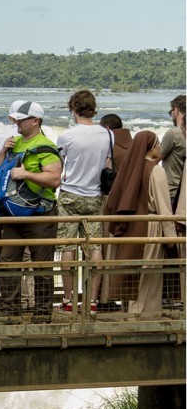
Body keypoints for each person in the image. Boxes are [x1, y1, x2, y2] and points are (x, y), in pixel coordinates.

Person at [0, 101, 62, 319]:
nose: (17, 123)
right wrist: (3, 151)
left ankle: (42, 313)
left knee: (41, 265)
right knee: (8, 260)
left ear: (35, 121)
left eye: (21, 119)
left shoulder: (46, 146)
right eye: (16, 119)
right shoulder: (15, 144)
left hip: (40, 214)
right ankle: (9, 312)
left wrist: (27, 175)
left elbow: (54, 179)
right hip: (14, 214)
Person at [104, 131, 176, 313]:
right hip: (149, 226)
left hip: (128, 226)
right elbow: (164, 208)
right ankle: (144, 316)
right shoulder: (156, 171)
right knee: (148, 275)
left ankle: (129, 313)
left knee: (131, 272)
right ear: (150, 148)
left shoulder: (127, 170)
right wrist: (171, 238)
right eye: (157, 144)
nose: (160, 148)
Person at [56, 90, 112, 313]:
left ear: (73, 109)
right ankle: (92, 300)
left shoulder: (67, 136)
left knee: (67, 246)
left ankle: (69, 300)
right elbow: (107, 162)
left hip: (70, 194)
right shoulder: (108, 134)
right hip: (95, 195)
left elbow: (59, 165)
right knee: (95, 247)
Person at [97, 113, 132, 312]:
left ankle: (104, 297)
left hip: (108, 200)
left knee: (104, 247)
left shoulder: (108, 147)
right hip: (130, 204)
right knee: (124, 249)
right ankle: (124, 297)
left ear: (107, 130)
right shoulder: (135, 145)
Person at [161, 95, 186, 211]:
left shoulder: (173, 134)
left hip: (172, 192)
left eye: (171, 112)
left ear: (176, 111)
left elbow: (155, 158)